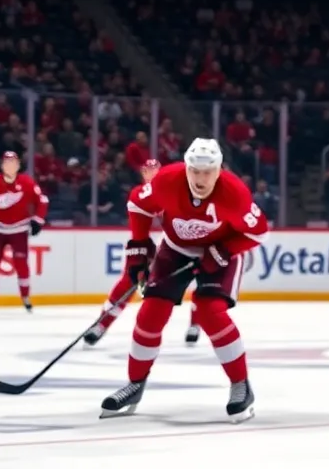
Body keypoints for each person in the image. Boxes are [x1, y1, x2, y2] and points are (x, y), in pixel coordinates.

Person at [103, 138, 268, 422]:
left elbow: (258, 232)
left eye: (207, 172)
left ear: (218, 170)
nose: (200, 178)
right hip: (176, 248)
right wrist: (138, 250)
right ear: (186, 168)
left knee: (209, 311)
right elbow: (138, 204)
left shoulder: (234, 193)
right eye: (194, 170)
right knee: (150, 313)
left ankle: (241, 385)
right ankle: (135, 383)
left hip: (220, 251)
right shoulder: (167, 179)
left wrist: (221, 251)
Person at [83, 159, 201, 347]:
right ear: (142, 172)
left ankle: (195, 324)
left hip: (201, 233)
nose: (153, 173)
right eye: (148, 169)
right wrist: (139, 261)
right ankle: (102, 324)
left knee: (205, 277)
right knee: (130, 278)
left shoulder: (180, 185)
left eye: (156, 169)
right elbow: (139, 236)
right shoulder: (140, 196)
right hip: (174, 240)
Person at [0, 151, 48, 312]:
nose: (10, 165)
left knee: (22, 265)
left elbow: (42, 200)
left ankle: (26, 298)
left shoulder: (27, 182)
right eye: (7, 162)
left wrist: (37, 221)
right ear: (2, 165)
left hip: (19, 230)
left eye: (13, 162)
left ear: (18, 165)